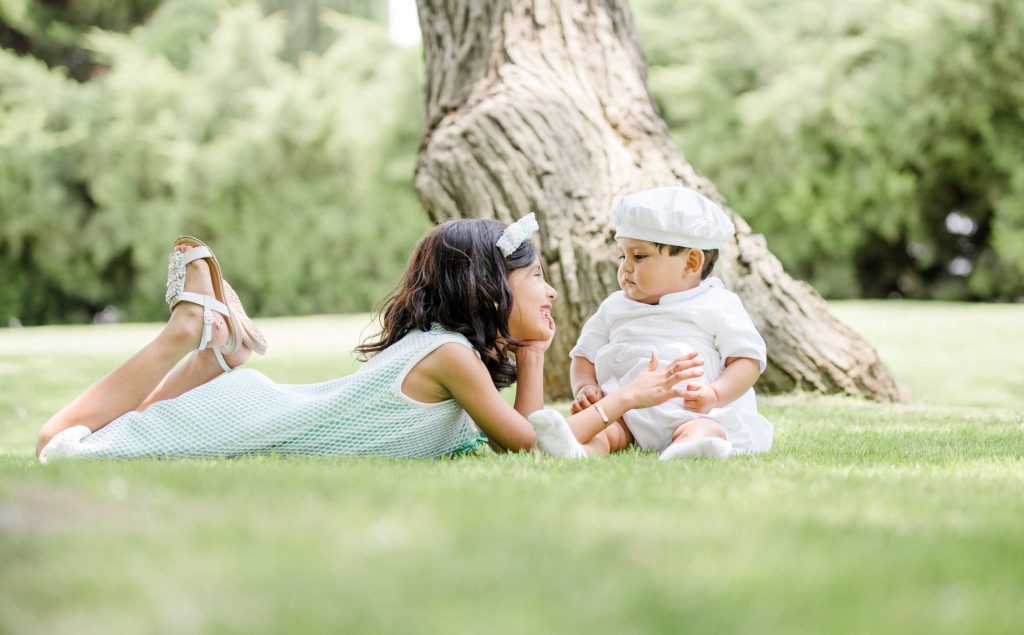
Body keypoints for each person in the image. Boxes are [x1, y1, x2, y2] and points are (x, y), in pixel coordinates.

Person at [35, 215, 703, 462]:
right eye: (537, 279)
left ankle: (218, 351)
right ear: (490, 289)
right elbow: (528, 441)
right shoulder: (450, 356)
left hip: (260, 410)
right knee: (60, 448)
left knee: (138, 429)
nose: (551, 291)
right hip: (253, 418)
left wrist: (533, 352)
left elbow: (529, 426)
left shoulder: (452, 350)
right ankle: (188, 334)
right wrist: (625, 399)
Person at [528, 186, 772, 461]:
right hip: (627, 414)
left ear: (691, 261)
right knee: (606, 434)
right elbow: (584, 355)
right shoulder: (614, 306)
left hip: (692, 410)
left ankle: (688, 448)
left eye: (639, 256)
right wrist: (585, 387)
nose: (625, 267)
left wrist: (715, 393)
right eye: (622, 256)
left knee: (705, 429)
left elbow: (746, 359)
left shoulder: (716, 303)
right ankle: (577, 450)